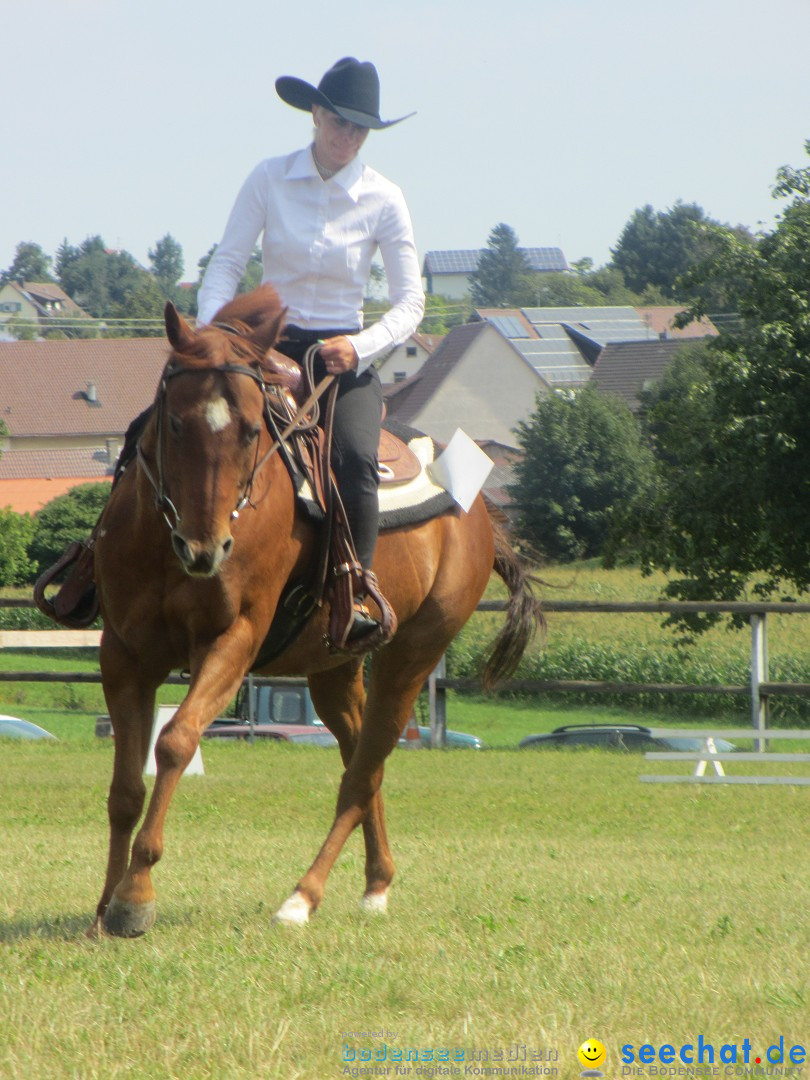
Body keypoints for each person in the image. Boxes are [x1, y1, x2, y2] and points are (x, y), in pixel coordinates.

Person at [196, 57, 424, 644]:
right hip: (265, 347)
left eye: (360, 129)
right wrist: (221, 343)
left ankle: (358, 589)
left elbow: (410, 303)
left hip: (344, 355)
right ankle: (100, 559)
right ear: (316, 115)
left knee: (351, 457)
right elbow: (224, 266)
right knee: (179, 419)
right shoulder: (268, 178)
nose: (348, 137)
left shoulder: (385, 198)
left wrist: (361, 346)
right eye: (339, 123)